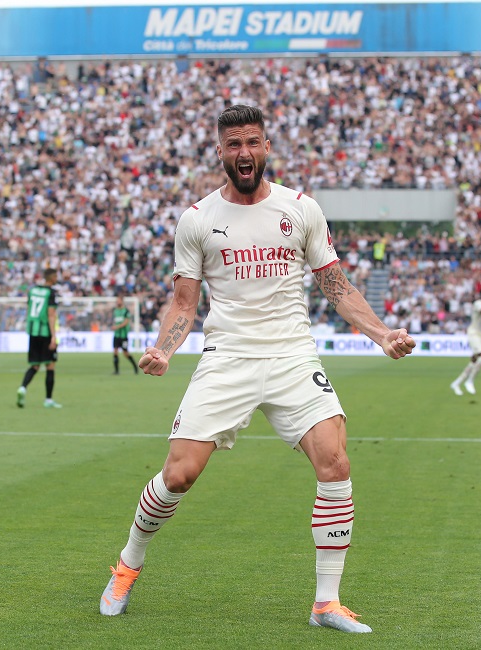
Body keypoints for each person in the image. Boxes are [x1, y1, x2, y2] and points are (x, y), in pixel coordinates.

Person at [98, 105, 415, 634]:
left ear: (267, 147)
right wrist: (164, 350)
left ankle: (326, 603)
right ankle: (127, 566)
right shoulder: (197, 219)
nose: (244, 152)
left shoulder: (301, 209)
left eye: (253, 142)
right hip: (229, 358)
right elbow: (183, 302)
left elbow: (335, 287)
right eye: (234, 144)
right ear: (220, 152)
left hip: (293, 356)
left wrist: (383, 335)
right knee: (179, 474)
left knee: (335, 462)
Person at [17, 268, 61, 409]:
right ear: (52, 278)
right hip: (45, 332)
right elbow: (51, 314)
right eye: (56, 276)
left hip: (33, 331)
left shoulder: (33, 290)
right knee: (50, 365)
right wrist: (53, 336)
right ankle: (48, 400)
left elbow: (29, 308)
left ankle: (23, 388)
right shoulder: (51, 293)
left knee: (35, 365)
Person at [450, 287, 481, 396]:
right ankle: (470, 381)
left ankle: (457, 383)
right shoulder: (479, 303)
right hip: (474, 333)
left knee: (474, 360)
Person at [111, 295, 139, 375]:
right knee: (115, 352)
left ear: (122, 301)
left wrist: (117, 327)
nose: (117, 302)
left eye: (118, 300)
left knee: (125, 353)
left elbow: (126, 322)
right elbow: (115, 321)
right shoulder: (115, 311)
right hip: (116, 335)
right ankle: (116, 371)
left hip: (124, 336)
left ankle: (135, 366)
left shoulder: (126, 311)